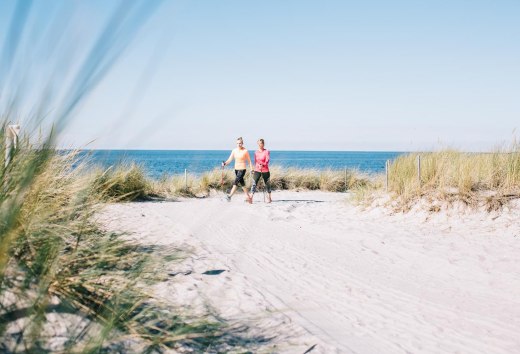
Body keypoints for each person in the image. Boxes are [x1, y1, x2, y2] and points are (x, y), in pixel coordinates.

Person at [222, 137, 253, 203]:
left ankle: (229, 196)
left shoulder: (245, 151)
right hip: (236, 169)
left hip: (242, 169)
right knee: (242, 184)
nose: (239, 144)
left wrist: (251, 169)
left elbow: (249, 161)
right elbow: (230, 159)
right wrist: (224, 163)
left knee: (236, 182)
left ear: (242, 143)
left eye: (240, 143)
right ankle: (249, 197)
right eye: (238, 143)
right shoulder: (234, 150)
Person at [251, 138, 272, 203]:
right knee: (254, 183)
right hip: (257, 170)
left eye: (261, 143)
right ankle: (251, 197)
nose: (260, 145)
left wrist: (262, 165)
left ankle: (269, 198)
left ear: (263, 144)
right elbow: (255, 161)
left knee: (267, 184)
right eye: (259, 143)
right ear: (258, 144)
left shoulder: (266, 151)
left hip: (265, 170)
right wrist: (257, 166)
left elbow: (267, 160)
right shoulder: (256, 152)